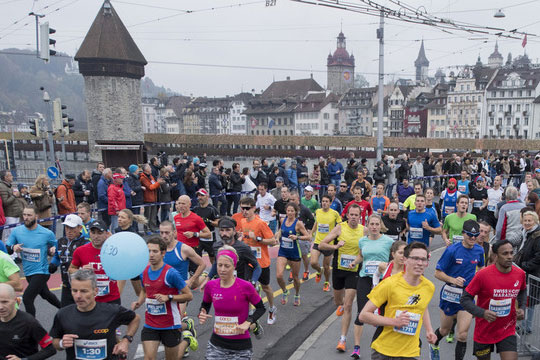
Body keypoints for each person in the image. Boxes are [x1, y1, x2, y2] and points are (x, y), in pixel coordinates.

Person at [359, 241, 437, 359]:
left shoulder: (429, 287)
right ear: (405, 260)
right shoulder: (389, 284)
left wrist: (429, 330)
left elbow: (422, 306)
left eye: (423, 259)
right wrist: (395, 322)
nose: (420, 263)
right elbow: (363, 315)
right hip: (385, 351)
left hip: (411, 352)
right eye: (415, 258)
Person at [50, 269, 140, 360]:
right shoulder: (63, 314)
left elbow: (135, 319)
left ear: (95, 291)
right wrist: (61, 343)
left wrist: (126, 340)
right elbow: (55, 341)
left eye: (84, 291)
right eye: (74, 290)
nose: (78, 296)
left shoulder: (111, 311)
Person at [131, 237, 198, 359]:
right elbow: (144, 290)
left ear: (163, 253)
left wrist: (169, 297)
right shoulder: (144, 272)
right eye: (149, 251)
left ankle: (187, 340)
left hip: (170, 325)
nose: (151, 255)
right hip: (150, 324)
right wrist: (139, 302)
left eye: (155, 251)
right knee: (149, 358)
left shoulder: (171, 273)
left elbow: (189, 295)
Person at [460, 240, 526, 360]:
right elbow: (465, 299)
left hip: (507, 328)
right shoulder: (482, 275)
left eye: (511, 253)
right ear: (495, 256)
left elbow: (522, 290)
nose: (510, 257)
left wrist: (521, 308)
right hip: (484, 331)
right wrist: (482, 313)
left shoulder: (520, 274)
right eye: (505, 253)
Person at [430, 220, 485, 360]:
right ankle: (434, 345)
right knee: (445, 329)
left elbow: (481, 268)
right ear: (463, 234)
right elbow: (437, 273)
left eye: (476, 235)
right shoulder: (452, 250)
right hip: (450, 294)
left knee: (462, 335)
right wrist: (453, 280)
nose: (473, 238)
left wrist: (479, 283)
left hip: (467, 296)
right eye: (469, 235)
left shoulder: (479, 250)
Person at [198, 246, 266, 360]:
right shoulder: (211, 286)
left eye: (227, 266)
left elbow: (261, 308)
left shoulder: (245, 286)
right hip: (216, 344)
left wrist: (248, 322)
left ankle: (255, 326)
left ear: (234, 266)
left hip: (240, 347)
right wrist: (202, 313)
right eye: (219, 265)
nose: (222, 269)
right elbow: (205, 305)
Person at [319, 204, 364, 353]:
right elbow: (322, 244)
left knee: (349, 304)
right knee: (338, 301)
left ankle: (342, 339)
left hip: (354, 270)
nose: (353, 217)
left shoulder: (364, 230)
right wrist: (335, 247)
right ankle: (342, 305)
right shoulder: (339, 228)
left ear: (360, 216)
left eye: (356, 215)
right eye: (351, 214)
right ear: (347, 215)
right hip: (338, 270)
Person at [348, 214, 394, 359]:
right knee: (361, 312)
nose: (374, 227)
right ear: (367, 225)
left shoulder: (388, 241)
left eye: (376, 224)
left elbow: (393, 261)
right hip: (365, 279)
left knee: (384, 313)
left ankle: (384, 345)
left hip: (382, 282)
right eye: (371, 224)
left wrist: (386, 268)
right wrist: (355, 262)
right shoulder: (362, 241)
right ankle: (356, 348)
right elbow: (361, 256)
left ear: (381, 225)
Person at [7, 205, 60, 316]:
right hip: (28, 272)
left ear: (36, 216)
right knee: (45, 294)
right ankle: (65, 309)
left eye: (29, 215)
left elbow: (58, 249)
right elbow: (7, 248)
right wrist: (13, 248)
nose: (26, 217)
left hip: (42, 271)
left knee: (27, 298)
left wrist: (52, 251)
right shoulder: (17, 231)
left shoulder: (46, 233)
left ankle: (31, 328)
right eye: (24, 215)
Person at [237, 197, 278, 324]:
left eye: (247, 208)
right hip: (248, 261)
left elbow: (272, 241)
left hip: (262, 262)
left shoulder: (260, 223)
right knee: (247, 287)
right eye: (242, 208)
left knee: (266, 287)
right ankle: (249, 313)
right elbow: (244, 239)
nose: (244, 211)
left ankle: (271, 308)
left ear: (254, 208)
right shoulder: (243, 222)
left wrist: (258, 239)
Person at [69, 220, 125, 304]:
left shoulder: (114, 251)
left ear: (106, 234)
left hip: (111, 298)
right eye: (93, 232)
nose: (96, 236)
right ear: (89, 233)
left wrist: (118, 293)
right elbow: (71, 269)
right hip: (90, 299)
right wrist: (81, 271)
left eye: (99, 233)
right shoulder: (80, 251)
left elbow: (123, 273)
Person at [0, 283, 56, 359]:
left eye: (5, 302)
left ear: (15, 300)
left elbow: (50, 349)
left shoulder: (29, 322)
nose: (1, 307)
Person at [274, 202, 310, 306]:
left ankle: (297, 294)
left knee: (295, 277)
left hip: (294, 253)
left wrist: (297, 237)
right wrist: (277, 237)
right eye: (288, 211)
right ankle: (285, 291)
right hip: (283, 251)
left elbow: (308, 237)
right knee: (279, 275)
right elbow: (280, 230)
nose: (290, 213)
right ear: (286, 211)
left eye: (292, 211)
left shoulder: (298, 223)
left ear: (295, 212)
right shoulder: (282, 220)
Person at [50, 214, 89, 307]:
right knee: (65, 313)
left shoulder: (85, 243)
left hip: (81, 285)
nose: (69, 231)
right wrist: (53, 264)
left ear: (80, 228)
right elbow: (57, 255)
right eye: (67, 227)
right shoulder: (60, 241)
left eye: (72, 228)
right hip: (66, 284)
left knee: (82, 313)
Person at [514, 210, 540, 333]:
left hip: (533, 273)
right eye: (525, 220)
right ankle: (523, 325)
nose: (527, 223)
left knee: (530, 301)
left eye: (530, 220)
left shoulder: (537, 235)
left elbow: (538, 256)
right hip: (524, 272)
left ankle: (526, 327)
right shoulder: (526, 233)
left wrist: (525, 265)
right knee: (524, 299)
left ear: (535, 221)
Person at [311, 195, 342, 292]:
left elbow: (340, 225)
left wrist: (338, 236)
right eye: (323, 201)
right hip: (317, 241)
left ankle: (326, 282)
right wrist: (311, 233)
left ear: (330, 203)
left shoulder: (335, 213)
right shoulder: (318, 212)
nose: (324, 203)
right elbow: (317, 223)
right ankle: (319, 271)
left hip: (328, 243)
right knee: (313, 262)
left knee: (326, 266)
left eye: (326, 201)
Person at [173, 195, 212, 273]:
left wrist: (195, 234)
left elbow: (208, 234)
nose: (181, 206)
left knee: (193, 274)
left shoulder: (196, 218)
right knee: (180, 273)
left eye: (183, 204)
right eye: (179, 203)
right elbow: (177, 233)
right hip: (180, 250)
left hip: (193, 250)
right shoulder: (176, 217)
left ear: (189, 205)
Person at [289, 191, 315, 281]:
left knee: (304, 256)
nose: (291, 201)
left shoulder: (304, 209)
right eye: (290, 199)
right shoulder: (289, 209)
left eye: (293, 199)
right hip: (292, 236)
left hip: (302, 237)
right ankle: (293, 271)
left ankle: (307, 270)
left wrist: (307, 228)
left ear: (298, 199)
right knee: (292, 256)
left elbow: (312, 220)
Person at [192, 188, 220, 264]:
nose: (200, 197)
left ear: (207, 197)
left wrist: (209, 221)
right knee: (197, 256)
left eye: (202, 195)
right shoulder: (195, 209)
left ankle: (214, 273)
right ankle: (199, 273)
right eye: (198, 195)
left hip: (210, 237)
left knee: (212, 256)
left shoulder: (212, 209)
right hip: (199, 236)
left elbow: (218, 223)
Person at [140, 164, 165, 234]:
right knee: (147, 215)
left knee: (153, 215)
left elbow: (155, 184)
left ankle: (153, 227)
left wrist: (158, 183)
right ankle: (146, 229)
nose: (150, 168)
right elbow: (150, 187)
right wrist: (158, 183)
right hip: (148, 199)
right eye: (149, 167)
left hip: (154, 198)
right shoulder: (143, 178)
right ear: (145, 170)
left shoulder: (150, 176)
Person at [0, 170, 24, 241]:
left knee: (14, 234)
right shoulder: (2, 187)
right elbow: (5, 202)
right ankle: (10, 251)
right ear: (5, 177)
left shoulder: (9, 186)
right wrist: (14, 196)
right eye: (10, 175)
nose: (12, 176)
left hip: (15, 214)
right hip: (9, 215)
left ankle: (14, 250)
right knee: (9, 235)